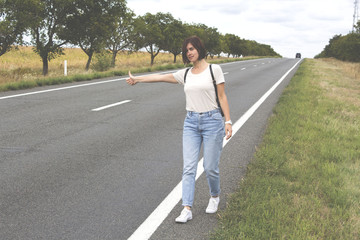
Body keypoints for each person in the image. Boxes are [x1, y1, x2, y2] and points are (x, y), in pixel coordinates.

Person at [126, 36, 232, 223]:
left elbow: (222, 97)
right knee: (189, 167)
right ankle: (187, 208)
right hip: (191, 122)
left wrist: (228, 122)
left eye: (192, 49)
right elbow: (160, 77)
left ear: (199, 48)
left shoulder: (214, 70)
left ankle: (215, 196)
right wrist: (138, 79)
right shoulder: (185, 74)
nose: (189, 52)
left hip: (212, 121)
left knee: (210, 168)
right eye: (186, 50)